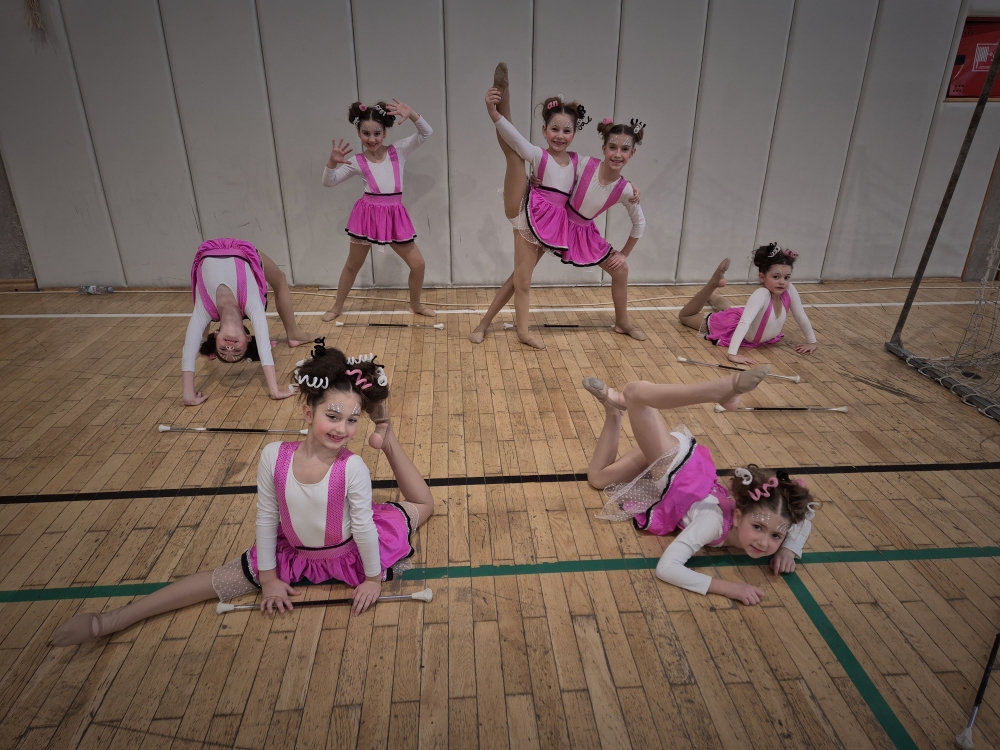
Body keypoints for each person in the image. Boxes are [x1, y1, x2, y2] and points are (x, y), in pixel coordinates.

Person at [51, 344, 434, 646]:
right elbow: (267, 517)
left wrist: (372, 578)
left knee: (424, 505)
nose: (342, 429)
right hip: (292, 557)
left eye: (352, 420)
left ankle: (387, 432)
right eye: (332, 417)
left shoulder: (352, 467)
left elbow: (364, 529)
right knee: (213, 583)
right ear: (307, 413)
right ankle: (110, 621)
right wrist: (267, 577)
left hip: (350, 555)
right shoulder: (273, 456)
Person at [582, 368, 817, 605]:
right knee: (635, 392)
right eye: (758, 527)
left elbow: (804, 516)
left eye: (776, 535)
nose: (764, 542)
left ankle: (615, 410)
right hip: (674, 464)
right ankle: (722, 389)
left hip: (682, 468)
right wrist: (726, 587)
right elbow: (667, 568)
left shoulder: (769, 517)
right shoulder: (711, 523)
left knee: (598, 479)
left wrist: (789, 549)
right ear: (737, 516)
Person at [469, 64, 591, 349]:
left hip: (549, 226)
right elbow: (514, 138)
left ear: (574, 133)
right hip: (525, 211)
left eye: (566, 130)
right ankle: (504, 93)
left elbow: (601, 178)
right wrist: (494, 114)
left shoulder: (578, 161)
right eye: (554, 129)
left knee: (518, 279)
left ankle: (483, 324)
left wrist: (629, 187)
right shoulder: (538, 154)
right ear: (544, 130)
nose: (560, 135)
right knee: (515, 157)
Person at [321, 100, 435, 321]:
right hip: (367, 216)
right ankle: (336, 307)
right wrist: (331, 163)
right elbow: (329, 182)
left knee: (418, 264)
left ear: (385, 132)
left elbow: (426, 132)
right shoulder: (356, 161)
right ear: (358, 132)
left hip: (394, 216)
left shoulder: (399, 150)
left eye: (377, 133)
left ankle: (415, 304)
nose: (372, 139)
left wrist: (412, 113)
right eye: (366, 133)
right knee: (352, 265)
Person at [182, 237, 316, 406]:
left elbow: (188, 349)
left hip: (209, 250)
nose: (229, 348)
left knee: (197, 334)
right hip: (242, 251)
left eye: (223, 349)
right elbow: (264, 348)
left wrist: (188, 395)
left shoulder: (204, 309)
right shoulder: (252, 305)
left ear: (216, 336)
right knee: (280, 278)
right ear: (248, 339)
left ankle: (205, 341)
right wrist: (274, 391)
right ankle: (293, 334)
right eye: (237, 351)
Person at [678, 243, 818, 365]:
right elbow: (744, 322)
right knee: (685, 317)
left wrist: (811, 341)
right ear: (762, 277)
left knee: (727, 311)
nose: (782, 282)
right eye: (776, 277)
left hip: (749, 324)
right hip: (736, 328)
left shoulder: (789, 290)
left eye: (786, 277)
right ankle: (712, 284)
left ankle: (712, 296)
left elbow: (800, 316)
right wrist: (732, 354)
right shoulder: (761, 295)